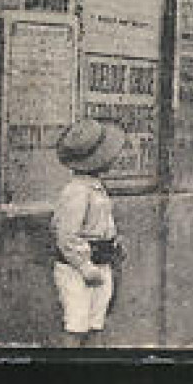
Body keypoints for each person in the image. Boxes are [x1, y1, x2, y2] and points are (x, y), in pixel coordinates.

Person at [51, 119, 126, 347]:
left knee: (96, 325)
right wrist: (84, 266)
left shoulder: (95, 187)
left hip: (101, 263)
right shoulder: (76, 191)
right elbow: (66, 235)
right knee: (76, 327)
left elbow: (102, 222)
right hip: (78, 270)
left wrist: (114, 242)